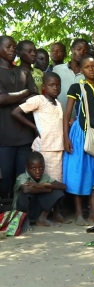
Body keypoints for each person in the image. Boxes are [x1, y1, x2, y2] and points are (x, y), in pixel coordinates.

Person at [63, 54, 94, 226]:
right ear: (81, 69)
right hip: (80, 135)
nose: (91, 69)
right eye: (87, 67)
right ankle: (78, 213)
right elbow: (67, 114)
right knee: (79, 174)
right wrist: (65, 138)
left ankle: (92, 213)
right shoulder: (76, 87)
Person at [0, 35, 38, 199]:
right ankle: (6, 217)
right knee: (5, 178)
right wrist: (24, 93)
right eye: (8, 46)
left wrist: (10, 97)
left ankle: (22, 215)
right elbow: (1, 99)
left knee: (23, 178)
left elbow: (35, 97)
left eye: (14, 47)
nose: (12, 49)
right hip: (4, 137)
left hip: (25, 136)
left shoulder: (23, 71)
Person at [12, 72, 64, 182]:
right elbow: (16, 112)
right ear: (44, 87)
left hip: (59, 148)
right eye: (51, 85)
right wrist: (34, 127)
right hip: (45, 148)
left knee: (57, 181)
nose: (55, 88)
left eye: (58, 85)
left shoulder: (58, 103)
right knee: (45, 180)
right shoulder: (39, 100)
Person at [13, 152, 67, 229]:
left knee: (57, 191)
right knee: (25, 194)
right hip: (23, 211)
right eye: (33, 168)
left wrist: (44, 185)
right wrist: (47, 190)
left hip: (38, 210)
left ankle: (42, 218)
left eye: (41, 168)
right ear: (27, 168)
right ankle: (25, 221)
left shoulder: (45, 177)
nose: (37, 171)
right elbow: (26, 189)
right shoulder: (22, 177)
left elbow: (63, 186)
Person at [53, 39, 88, 112]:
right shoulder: (57, 69)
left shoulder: (89, 73)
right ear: (72, 50)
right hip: (60, 118)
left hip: (81, 120)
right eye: (79, 49)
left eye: (85, 51)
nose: (81, 52)